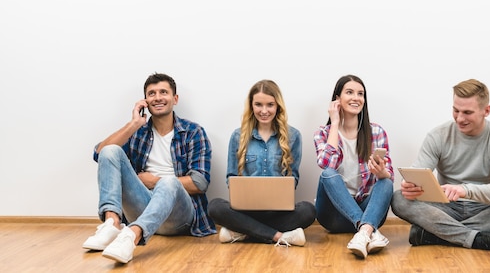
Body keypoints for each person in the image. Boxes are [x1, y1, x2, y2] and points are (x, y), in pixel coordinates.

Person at [82, 73, 215, 263]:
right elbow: (100, 154)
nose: (158, 97)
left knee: (168, 182)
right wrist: (134, 124)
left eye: (163, 92)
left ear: (175, 99)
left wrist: (155, 181)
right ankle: (112, 224)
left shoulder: (193, 132)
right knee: (111, 150)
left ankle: (131, 236)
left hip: (178, 217)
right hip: (142, 208)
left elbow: (199, 183)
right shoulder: (138, 133)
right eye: (151, 93)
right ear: (145, 101)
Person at [391, 78, 490, 252]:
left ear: (486, 110)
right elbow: (418, 171)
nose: (459, 118)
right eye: (455, 110)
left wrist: (465, 190)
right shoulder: (438, 135)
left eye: (467, 112)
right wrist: (410, 185)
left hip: (485, 208)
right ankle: (477, 240)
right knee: (399, 198)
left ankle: (435, 234)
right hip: (445, 206)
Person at [208, 80, 316, 247]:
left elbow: (292, 178)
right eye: (258, 104)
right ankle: (279, 236)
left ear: (278, 106)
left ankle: (243, 232)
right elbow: (231, 177)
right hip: (245, 210)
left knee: (308, 210)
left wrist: (276, 192)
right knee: (214, 206)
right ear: (251, 106)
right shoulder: (238, 136)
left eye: (270, 105)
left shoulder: (293, 136)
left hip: (278, 212)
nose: (264, 111)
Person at [313, 74, 394, 259]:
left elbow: (388, 175)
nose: (356, 98)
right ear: (337, 99)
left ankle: (363, 231)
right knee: (327, 174)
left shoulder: (376, 132)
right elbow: (326, 164)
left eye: (360, 94)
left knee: (387, 182)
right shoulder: (323, 133)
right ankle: (368, 231)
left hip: (369, 211)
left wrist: (381, 172)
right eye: (349, 92)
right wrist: (334, 123)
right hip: (333, 216)